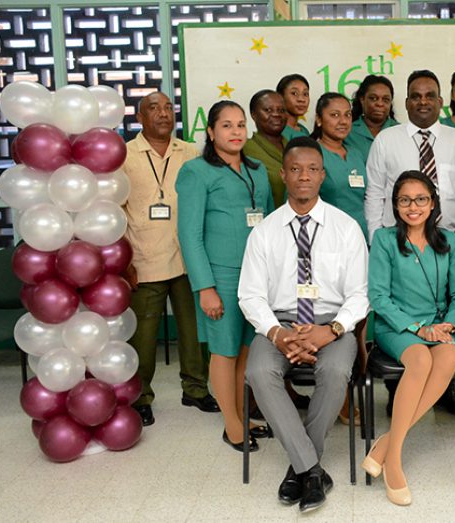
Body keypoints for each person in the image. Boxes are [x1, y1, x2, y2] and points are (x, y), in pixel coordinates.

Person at [239, 136, 369, 513]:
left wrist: (330, 330)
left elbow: (360, 294)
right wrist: (278, 334)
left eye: (312, 169)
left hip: (331, 325)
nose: (304, 177)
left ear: (322, 175)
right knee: (260, 372)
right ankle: (311, 469)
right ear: (283, 174)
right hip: (279, 324)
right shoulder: (264, 231)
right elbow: (250, 295)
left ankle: (299, 467)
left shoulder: (345, 228)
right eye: (295, 169)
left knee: (335, 370)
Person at [366, 69, 455, 415]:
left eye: (430, 95)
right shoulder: (387, 140)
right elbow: (374, 193)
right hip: (397, 241)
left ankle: (442, 392)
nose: (423, 101)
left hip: (448, 241)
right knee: (406, 319)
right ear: (407, 101)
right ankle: (402, 391)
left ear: (441, 101)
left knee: (447, 302)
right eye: (415, 95)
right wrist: (378, 242)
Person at [363, 171, 455, 506]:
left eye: (421, 199)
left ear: (433, 203)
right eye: (404, 200)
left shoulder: (448, 241)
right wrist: (418, 329)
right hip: (396, 327)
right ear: (395, 205)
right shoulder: (384, 239)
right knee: (421, 359)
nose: (413, 207)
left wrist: (448, 326)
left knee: (450, 356)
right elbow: (378, 297)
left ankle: (385, 444)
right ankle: (393, 460)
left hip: (439, 327)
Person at [177, 100, 275, 452]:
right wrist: (205, 287)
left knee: (247, 350)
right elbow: (189, 234)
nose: (236, 132)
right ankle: (232, 425)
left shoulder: (257, 169)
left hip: (259, 277)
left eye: (240, 125)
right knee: (224, 350)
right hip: (221, 277)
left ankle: (243, 414)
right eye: (227, 126)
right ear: (211, 131)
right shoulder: (196, 171)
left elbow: (271, 222)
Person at [122, 92, 218, 427]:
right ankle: (140, 396)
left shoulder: (189, 151)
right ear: (139, 116)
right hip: (144, 257)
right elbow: (115, 211)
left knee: (194, 330)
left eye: (168, 108)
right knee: (144, 336)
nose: (163, 114)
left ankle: (195, 388)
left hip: (188, 258)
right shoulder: (125, 155)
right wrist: (124, 261)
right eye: (154, 108)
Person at [312, 92, 368, 239]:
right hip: (328, 237)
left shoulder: (356, 154)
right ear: (319, 119)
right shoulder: (313, 155)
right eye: (335, 115)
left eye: (347, 115)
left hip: (360, 234)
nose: (343, 121)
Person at [243, 89, 288, 208]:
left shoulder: (295, 148)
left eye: (281, 110)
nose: (276, 114)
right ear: (253, 115)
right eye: (268, 110)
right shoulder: (244, 148)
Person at [345, 75, 398, 163]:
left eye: (385, 99)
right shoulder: (348, 131)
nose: (380, 104)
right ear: (362, 99)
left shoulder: (400, 132)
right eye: (373, 98)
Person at [277, 74, 311, 142]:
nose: (301, 99)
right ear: (280, 97)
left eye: (305, 94)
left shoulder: (303, 130)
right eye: (294, 93)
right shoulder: (277, 131)